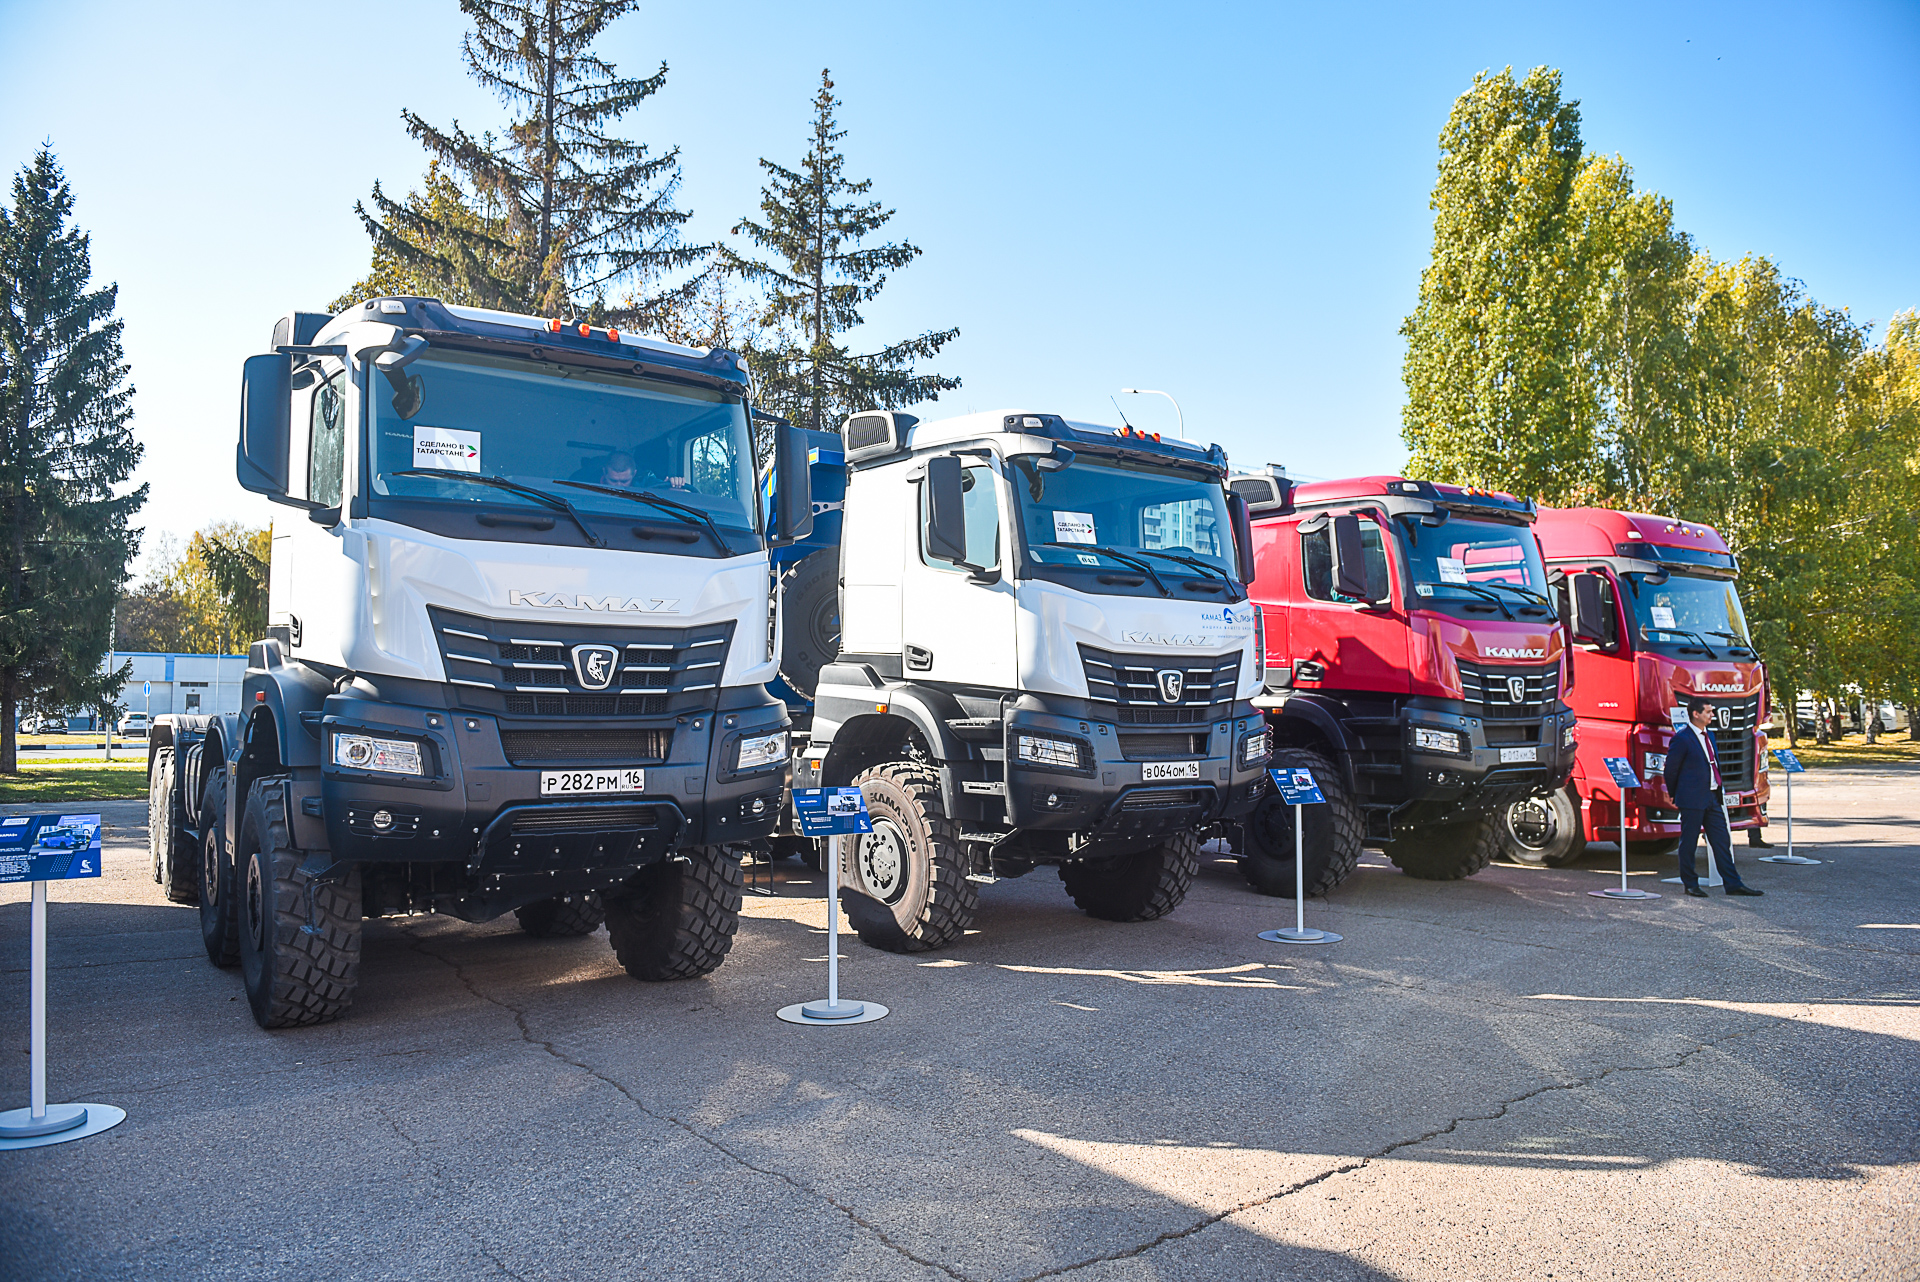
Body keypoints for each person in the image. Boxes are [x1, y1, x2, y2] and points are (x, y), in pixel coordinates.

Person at [1664, 697, 1763, 898]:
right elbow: (1671, 771)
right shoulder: (1682, 739)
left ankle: (1733, 884)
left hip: (1713, 797)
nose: (1712, 715)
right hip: (1692, 799)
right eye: (1708, 712)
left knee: (1721, 841)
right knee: (1689, 842)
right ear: (1696, 714)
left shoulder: (1709, 735)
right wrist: (1678, 794)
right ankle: (1690, 883)